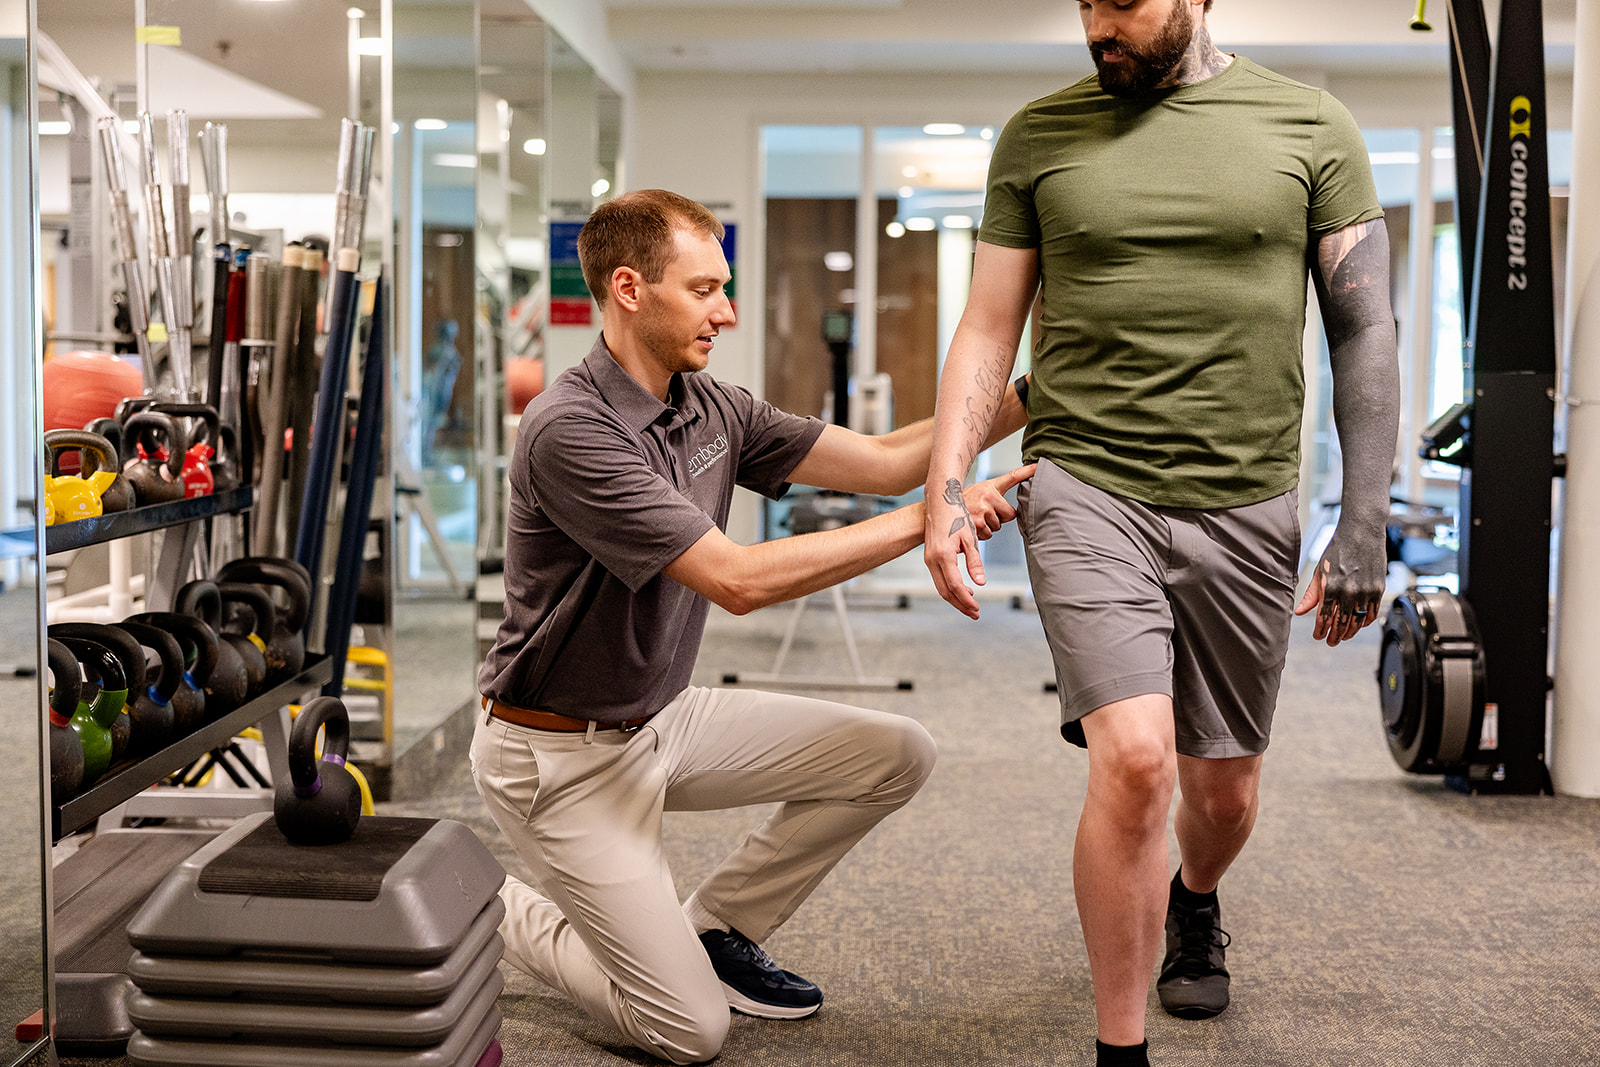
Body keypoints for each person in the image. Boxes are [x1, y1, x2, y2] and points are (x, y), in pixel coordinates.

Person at [922, 3, 1400, 1065]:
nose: (1102, 26)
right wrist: (943, 487)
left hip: (1247, 496)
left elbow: (1362, 323)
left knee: (1220, 790)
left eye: (1124, 4)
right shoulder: (1039, 134)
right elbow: (988, 325)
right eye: (1087, 3)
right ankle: (1119, 1048)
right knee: (1134, 761)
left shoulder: (1309, 126)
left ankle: (1195, 896)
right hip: (1086, 482)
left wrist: (1363, 515)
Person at [474, 188, 1034, 1065]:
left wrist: (1037, 391)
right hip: (558, 759)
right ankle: (490, 903)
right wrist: (940, 515)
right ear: (628, 289)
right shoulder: (569, 430)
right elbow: (735, 581)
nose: (726, 310)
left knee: (896, 752)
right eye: (704, 290)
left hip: (659, 718)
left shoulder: (713, 407)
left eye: (723, 287)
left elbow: (888, 464)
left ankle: (716, 926)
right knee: (688, 1030)